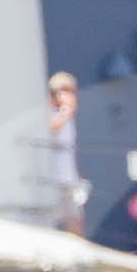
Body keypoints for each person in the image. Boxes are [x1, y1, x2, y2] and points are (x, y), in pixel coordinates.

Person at [46, 71, 87, 236]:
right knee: (50, 221)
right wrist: (66, 112)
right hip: (53, 179)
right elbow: (51, 128)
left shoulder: (68, 118)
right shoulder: (50, 113)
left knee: (75, 220)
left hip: (68, 179)